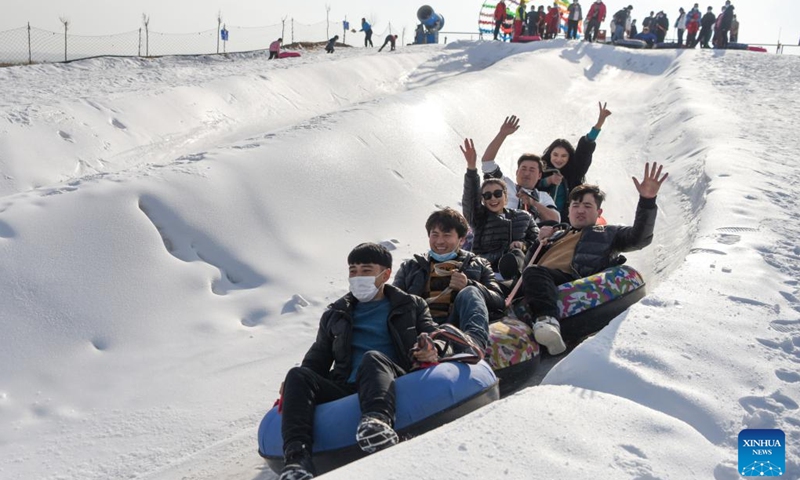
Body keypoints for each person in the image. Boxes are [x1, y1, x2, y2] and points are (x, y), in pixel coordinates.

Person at [277, 243, 444, 480]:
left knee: (372, 358)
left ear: (385, 274)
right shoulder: (336, 314)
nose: (357, 278)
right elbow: (318, 357)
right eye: (352, 271)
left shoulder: (410, 305)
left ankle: (376, 423)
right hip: (346, 384)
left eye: (366, 271)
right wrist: (294, 386)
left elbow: (435, 334)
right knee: (297, 375)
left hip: (391, 376)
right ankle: (297, 459)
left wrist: (433, 348)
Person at [521, 163, 668, 355]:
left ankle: (547, 320)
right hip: (536, 281)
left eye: (587, 206)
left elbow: (639, 238)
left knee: (535, 273)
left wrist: (647, 201)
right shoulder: (556, 235)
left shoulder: (606, 233)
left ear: (599, 213)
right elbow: (526, 268)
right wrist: (538, 243)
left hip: (567, 278)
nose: (580, 210)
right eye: (575, 206)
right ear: (568, 211)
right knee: (492, 288)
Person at [393, 208, 504, 350]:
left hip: (457, 326)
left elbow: (499, 301)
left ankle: (473, 348)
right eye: (435, 235)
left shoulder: (479, 265)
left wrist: (468, 284)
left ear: (461, 240)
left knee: (470, 292)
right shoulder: (411, 267)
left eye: (447, 235)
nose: (439, 241)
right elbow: (393, 301)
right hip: (421, 327)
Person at [460, 138, 539, 280]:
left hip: (515, 269)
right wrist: (471, 168)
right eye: (487, 196)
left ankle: (513, 274)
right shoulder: (479, 217)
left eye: (497, 194)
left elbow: (536, 241)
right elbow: (470, 199)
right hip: (485, 268)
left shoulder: (524, 217)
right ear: (483, 200)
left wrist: (523, 245)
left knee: (517, 254)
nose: (493, 199)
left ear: (506, 196)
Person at [539, 102, 612, 222]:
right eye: (555, 155)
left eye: (564, 156)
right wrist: (548, 180)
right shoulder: (541, 170)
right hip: (541, 219)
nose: (559, 159)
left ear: (569, 158)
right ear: (549, 154)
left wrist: (599, 123)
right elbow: (531, 186)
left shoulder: (574, 172)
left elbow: (585, 148)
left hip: (568, 220)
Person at [480, 115, 561, 225]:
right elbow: (487, 162)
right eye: (523, 169)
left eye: (532, 170)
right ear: (516, 172)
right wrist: (502, 134)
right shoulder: (504, 185)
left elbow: (555, 220)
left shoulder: (543, 197)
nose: (526, 173)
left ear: (539, 175)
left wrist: (532, 203)